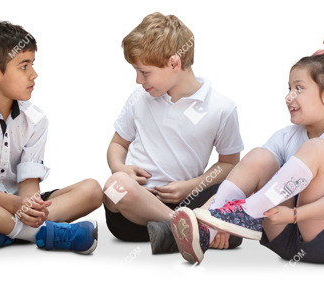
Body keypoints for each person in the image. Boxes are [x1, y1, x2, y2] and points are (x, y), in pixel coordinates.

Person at [172, 36, 324, 264]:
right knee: (261, 156)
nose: (289, 97)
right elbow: (252, 178)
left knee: (317, 149)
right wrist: (217, 220)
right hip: (286, 237)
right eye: (289, 88)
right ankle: (209, 226)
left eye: (299, 88)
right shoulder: (286, 136)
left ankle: (245, 213)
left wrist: (295, 215)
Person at [0, 20, 104, 255]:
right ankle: (46, 234)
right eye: (24, 66)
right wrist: (13, 205)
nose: (34, 74)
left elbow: (29, 181)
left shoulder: (35, 118)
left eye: (33, 64)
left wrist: (29, 208)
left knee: (93, 190)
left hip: (17, 205)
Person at [103, 12, 244, 254]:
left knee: (236, 187)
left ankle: (175, 232)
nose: (138, 80)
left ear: (174, 63)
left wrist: (191, 187)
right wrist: (120, 168)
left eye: (144, 72)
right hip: (133, 211)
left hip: (189, 200)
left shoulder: (221, 108)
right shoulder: (140, 98)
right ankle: (192, 228)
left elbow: (229, 163)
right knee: (114, 187)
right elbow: (118, 143)